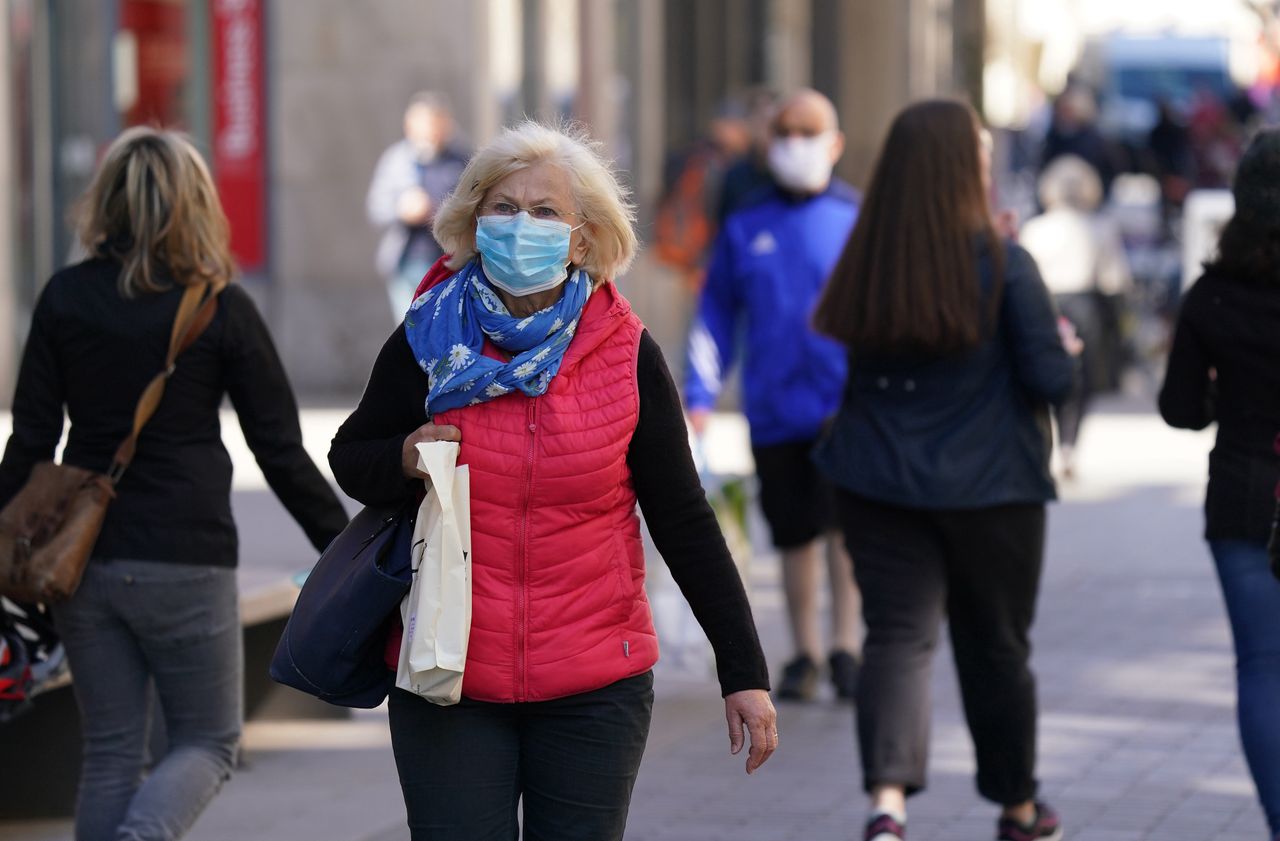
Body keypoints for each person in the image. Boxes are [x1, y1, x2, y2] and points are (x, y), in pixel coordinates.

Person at [329, 120, 777, 841]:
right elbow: (351, 455)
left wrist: (743, 669)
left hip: (595, 685)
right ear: (474, 222)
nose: (519, 224)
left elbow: (683, 518)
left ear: (581, 238)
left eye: (544, 211)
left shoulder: (625, 350)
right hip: (450, 679)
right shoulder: (428, 332)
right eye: (502, 207)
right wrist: (404, 455)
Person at [0, 127, 348, 841]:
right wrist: (343, 552)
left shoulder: (64, 297)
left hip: (82, 560)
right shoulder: (220, 307)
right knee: (209, 739)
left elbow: (29, 442)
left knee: (110, 751)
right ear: (197, 206)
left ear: (106, 204)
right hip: (188, 556)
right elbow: (279, 450)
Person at [812, 99, 1077, 841]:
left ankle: (887, 806)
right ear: (965, 168)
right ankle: (1019, 806)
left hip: (876, 478)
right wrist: (1065, 344)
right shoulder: (1003, 262)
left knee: (896, 635)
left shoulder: (867, 264)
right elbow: (1050, 379)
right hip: (994, 487)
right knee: (995, 644)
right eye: (983, 154)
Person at [684, 88, 863, 703]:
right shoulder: (746, 226)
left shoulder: (857, 219)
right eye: (785, 134)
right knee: (793, 534)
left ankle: (846, 647)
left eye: (809, 134)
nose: (796, 147)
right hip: (775, 406)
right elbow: (715, 315)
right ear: (768, 145)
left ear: (834, 144)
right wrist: (699, 392)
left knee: (845, 530)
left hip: (848, 406)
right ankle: (805, 651)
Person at [1159, 129, 1280, 841]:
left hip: (1242, 493)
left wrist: (1220, 400)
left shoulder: (1212, 294)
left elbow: (1178, 408)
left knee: (1263, 664)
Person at [1020, 154, 1132, 478]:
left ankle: (1053, 444)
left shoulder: (1036, 228)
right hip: (1085, 305)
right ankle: (1069, 446)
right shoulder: (1100, 226)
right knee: (1079, 382)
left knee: (1044, 373)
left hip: (1046, 304)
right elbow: (1114, 279)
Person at [367, 91, 469, 321]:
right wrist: (401, 210)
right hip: (407, 260)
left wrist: (439, 211)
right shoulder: (396, 160)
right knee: (409, 327)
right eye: (422, 124)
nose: (428, 131)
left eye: (434, 123)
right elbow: (376, 206)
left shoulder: (461, 160)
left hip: (449, 261)